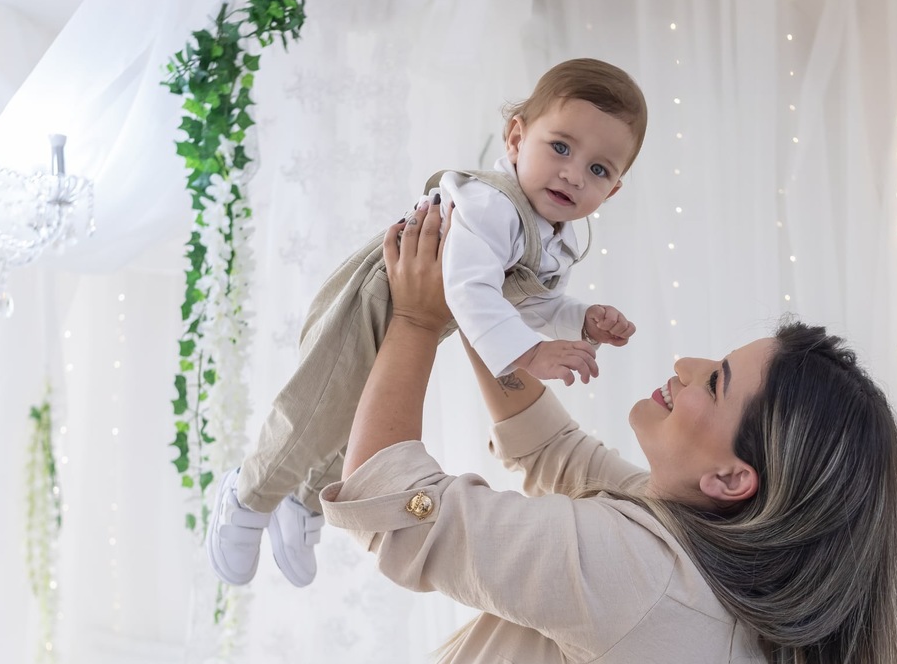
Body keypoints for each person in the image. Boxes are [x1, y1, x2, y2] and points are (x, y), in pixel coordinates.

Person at [321, 202, 897, 664]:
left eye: (715, 384)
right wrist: (484, 306)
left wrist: (416, 319)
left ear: (732, 478)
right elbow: (553, 451)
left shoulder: (644, 577)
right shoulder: (698, 561)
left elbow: (393, 505)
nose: (686, 366)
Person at [207, 58, 648, 589]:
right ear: (515, 138)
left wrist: (582, 320)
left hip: (417, 315)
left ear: (614, 190)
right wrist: (530, 355)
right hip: (372, 298)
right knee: (317, 409)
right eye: (561, 147)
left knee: (356, 418)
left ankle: (303, 505)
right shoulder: (492, 206)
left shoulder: (556, 237)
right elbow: (470, 289)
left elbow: (525, 304)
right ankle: (248, 494)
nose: (574, 174)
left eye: (599, 170)